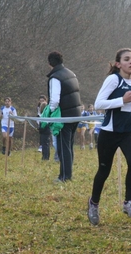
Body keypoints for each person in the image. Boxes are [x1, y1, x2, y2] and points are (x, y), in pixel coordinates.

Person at [87, 48, 131, 225]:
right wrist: (122, 100)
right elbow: (99, 104)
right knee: (104, 170)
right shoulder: (113, 80)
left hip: (128, 131)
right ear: (119, 64)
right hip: (109, 133)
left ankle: (128, 202)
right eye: (127, 59)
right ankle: (93, 204)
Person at [47, 51, 82, 182]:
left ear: (50, 63)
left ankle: (65, 176)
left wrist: (49, 112)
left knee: (63, 147)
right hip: (76, 115)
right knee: (69, 145)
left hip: (64, 116)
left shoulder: (55, 77)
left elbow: (54, 100)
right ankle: (67, 174)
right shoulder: (71, 73)